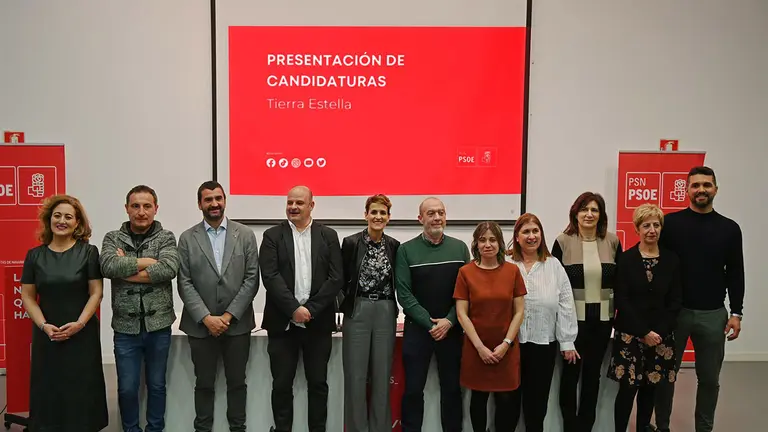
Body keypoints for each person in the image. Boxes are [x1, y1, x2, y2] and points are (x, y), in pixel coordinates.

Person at [653, 166, 745, 432]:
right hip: (675, 314)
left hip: (713, 315)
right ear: (687, 190)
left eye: (706, 185)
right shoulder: (669, 224)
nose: (701, 189)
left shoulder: (729, 229)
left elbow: (736, 273)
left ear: (715, 188)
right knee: (665, 376)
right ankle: (662, 427)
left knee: (709, 380)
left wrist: (736, 313)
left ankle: (704, 429)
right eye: (695, 185)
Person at [258, 185, 343, 432]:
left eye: (299, 203)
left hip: (318, 324)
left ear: (311, 205)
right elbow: (270, 276)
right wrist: (294, 309)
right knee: (282, 384)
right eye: (290, 203)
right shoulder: (272, 236)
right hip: (283, 324)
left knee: (318, 384)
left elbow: (336, 278)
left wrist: (311, 310)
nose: (293, 207)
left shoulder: (328, 236)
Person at [177, 181, 260, 432]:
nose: (214, 204)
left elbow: (251, 279)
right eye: (208, 199)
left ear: (225, 200)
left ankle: (238, 428)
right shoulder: (187, 238)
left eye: (218, 198)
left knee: (237, 383)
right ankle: (202, 429)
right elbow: (184, 282)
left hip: (237, 325)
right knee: (203, 384)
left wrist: (227, 316)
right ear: (199, 204)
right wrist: (206, 318)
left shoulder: (245, 235)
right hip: (200, 327)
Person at [20, 194, 108, 432]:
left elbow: (96, 293)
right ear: (49, 220)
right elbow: (27, 296)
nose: (62, 220)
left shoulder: (89, 252)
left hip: (82, 333)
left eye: (68, 216)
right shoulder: (34, 255)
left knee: (81, 388)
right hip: (47, 334)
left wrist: (79, 324)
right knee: (48, 387)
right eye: (57, 215)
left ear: (77, 223)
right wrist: (43, 325)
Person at [100, 185, 179, 432]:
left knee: (156, 385)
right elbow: (108, 267)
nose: (141, 212)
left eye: (147, 206)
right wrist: (147, 263)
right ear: (127, 209)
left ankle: (155, 429)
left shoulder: (166, 237)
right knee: (127, 386)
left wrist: (127, 270)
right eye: (135, 206)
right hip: (125, 328)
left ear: (156, 208)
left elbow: (168, 269)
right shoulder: (112, 238)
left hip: (159, 325)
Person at [395, 197, 469, 432]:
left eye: (441, 213)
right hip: (418, 330)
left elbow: (466, 292)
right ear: (420, 219)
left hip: (452, 329)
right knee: (413, 390)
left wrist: (449, 321)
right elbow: (404, 294)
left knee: (452, 389)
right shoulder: (406, 250)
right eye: (431, 213)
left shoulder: (460, 248)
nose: (437, 218)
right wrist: (430, 324)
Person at [552, 191, 622, 432]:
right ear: (575, 213)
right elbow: (556, 286)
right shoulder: (563, 241)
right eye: (584, 209)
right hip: (573, 322)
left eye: (594, 210)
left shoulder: (612, 242)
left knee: (593, 378)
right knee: (570, 378)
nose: (589, 214)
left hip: (602, 323)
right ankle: (571, 427)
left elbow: (619, 283)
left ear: (601, 215)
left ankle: (585, 427)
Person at [609, 203, 682, 432]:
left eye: (656, 225)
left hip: (661, 337)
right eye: (646, 225)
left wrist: (657, 332)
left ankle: (643, 427)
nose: (652, 230)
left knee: (650, 389)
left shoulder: (672, 260)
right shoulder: (626, 259)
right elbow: (622, 299)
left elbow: (675, 301)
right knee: (627, 390)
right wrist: (643, 332)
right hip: (631, 335)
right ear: (637, 228)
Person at [507, 213, 579, 432]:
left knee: (536, 406)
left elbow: (566, 302)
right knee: (508, 404)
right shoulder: (506, 263)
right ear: (517, 237)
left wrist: (567, 341)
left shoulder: (554, 265)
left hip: (543, 344)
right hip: (509, 344)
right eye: (526, 232)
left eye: (535, 231)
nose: (531, 236)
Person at [454, 221, 527, 432]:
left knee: (506, 400)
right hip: (476, 349)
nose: (488, 244)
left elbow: (519, 311)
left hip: (507, 348)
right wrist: (480, 348)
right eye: (482, 240)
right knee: (478, 398)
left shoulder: (512, 271)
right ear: (475, 244)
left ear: (500, 243)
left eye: (493, 240)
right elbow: (461, 313)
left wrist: (506, 344)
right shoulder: (465, 272)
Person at [340, 194, 400, 432]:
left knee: (382, 375)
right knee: (355, 376)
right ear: (366, 215)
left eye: (382, 213)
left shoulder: (394, 246)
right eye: (373, 212)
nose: (378, 217)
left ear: (388, 217)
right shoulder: (351, 242)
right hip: (358, 309)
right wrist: (342, 306)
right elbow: (340, 279)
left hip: (385, 309)